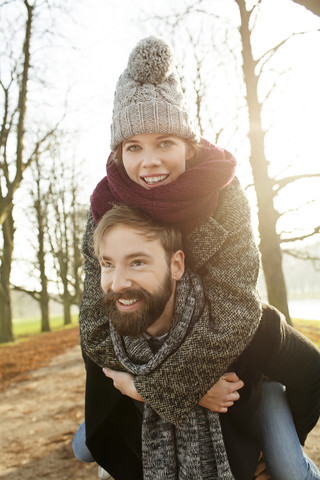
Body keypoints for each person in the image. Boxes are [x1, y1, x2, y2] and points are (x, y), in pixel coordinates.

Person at [80, 34, 262, 427]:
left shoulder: (225, 197)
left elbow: (236, 308)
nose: (149, 162)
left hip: (223, 359)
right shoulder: (104, 209)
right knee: (90, 444)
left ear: (188, 147)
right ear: (118, 153)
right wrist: (172, 387)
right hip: (146, 357)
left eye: (164, 143)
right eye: (133, 147)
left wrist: (155, 385)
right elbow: (94, 323)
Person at [74, 204, 320, 480]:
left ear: (176, 265)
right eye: (107, 264)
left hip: (257, 392)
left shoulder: (241, 322)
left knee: (291, 470)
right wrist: (186, 391)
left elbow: (313, 371)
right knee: (82, 448)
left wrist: (283, 443)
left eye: (138, 262)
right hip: (136, 407)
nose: (118, 283)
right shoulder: (103, 333)